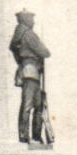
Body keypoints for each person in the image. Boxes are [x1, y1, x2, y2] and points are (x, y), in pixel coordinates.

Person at [10, 10, 53, 146]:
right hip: (31, 72)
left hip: (27, 70)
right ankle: (32, 136)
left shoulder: (19, 35)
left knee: (32, 105)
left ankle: (30, 135)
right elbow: (45, 52)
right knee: (32, 105)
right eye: (31, 19)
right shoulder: (28, 34)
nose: (33, 22)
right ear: (26, 20)